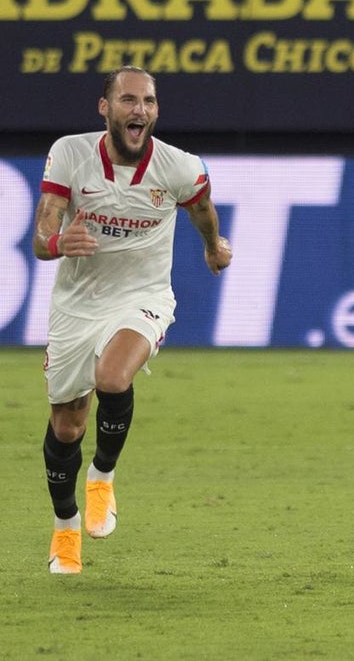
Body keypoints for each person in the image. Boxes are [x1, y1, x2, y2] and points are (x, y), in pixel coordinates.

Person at [33, 66, 232, 574]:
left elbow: (202, 208)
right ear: (106, 108)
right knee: (67, 426)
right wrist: (58, 244)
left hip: (142, 296)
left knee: (113, 376)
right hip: (76, 306)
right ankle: (65, 530)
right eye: (127, 100)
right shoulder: (71, 154)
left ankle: (103, 477)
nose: (138, 109)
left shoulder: (179, 168)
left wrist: (213, 245)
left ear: (156, 110)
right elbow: (42, 233)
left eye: (147, 101)